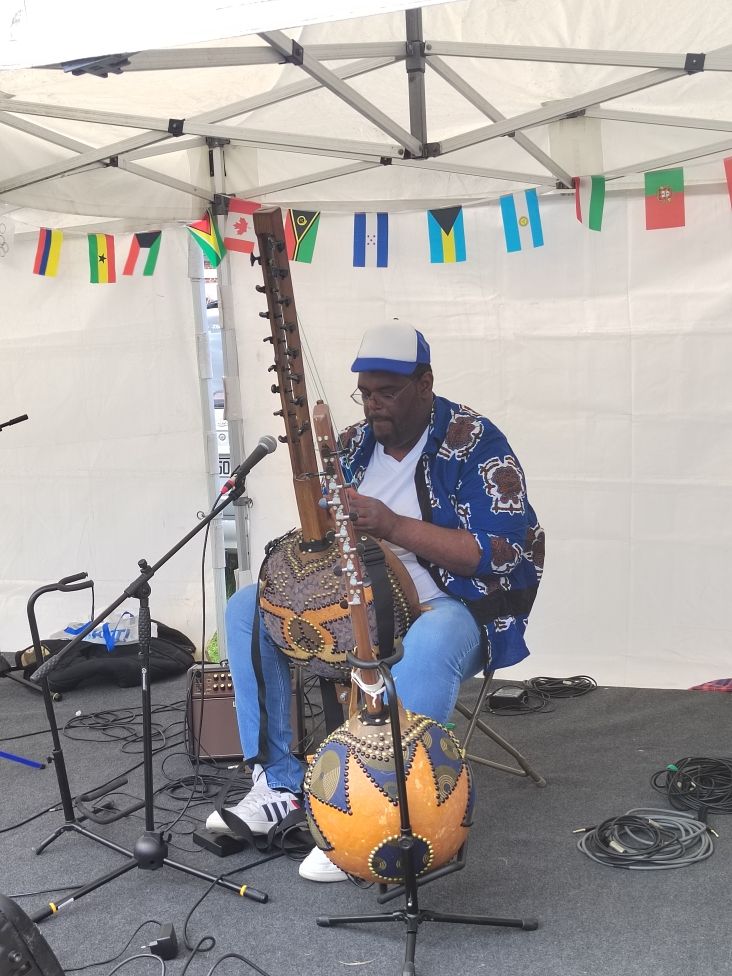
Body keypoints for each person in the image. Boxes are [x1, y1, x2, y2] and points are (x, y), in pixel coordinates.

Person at [206, 324, 544, 882]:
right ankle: (279, 784)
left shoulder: (475, 443)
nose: (372, 404)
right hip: (358, 598)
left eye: (387, 392)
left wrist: (392, 525)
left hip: (452, 604)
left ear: (425, 383)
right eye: (364, 393)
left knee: (432, 639)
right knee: (248, 608)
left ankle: (379, 816)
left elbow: (500, 551)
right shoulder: (353, 444)